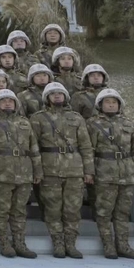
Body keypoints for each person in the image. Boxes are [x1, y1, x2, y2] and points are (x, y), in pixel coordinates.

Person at [29, 82, 94, 258]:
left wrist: (89, 171)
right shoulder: (37, 118)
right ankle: (58, 242)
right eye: (53, 93)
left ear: (65, 96)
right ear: (47, 97)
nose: (57, 96)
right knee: (53, 208)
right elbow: (33, 147)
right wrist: (37, 171)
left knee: (73, 209)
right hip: (49, 169)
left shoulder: (76, 118)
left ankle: (71, 243)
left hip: (74, 170)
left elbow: (86, 146)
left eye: (60, 93)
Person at [0, 88, 41, 258]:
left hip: (24, 172)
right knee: (1, 210)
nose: (8, 103)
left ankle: (20, 242)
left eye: (11, 100)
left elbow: (34, 148)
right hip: (1, 173)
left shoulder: (24, 122)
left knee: (20, 210)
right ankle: (4, 242)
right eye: (3, 100)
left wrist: (38, 170)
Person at [87, 88, 134, 259]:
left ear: (119, 105)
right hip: (104, 172)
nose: (111, 105)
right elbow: (89, 150)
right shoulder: (92, 124)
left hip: (127, 173)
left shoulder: (129, 124)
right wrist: (89, 172)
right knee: (104, 212)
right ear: (100, 105)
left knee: (123, 212)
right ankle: (108, 246)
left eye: (114, 102)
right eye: (107, 102)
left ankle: (124, 246)